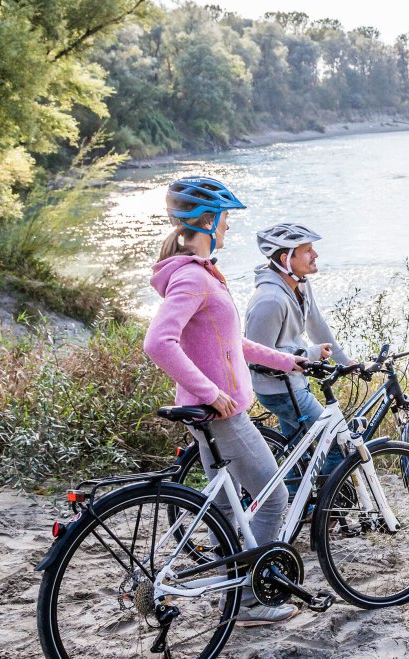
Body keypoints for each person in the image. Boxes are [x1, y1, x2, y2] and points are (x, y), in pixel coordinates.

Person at [143, 176, 304, 627]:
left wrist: (291, 362)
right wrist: (212, 393)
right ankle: (251, 602)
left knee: (226, 508)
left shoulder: (200, 273)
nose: (229, 229)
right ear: (209, 223)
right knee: (272, 499)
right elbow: (158, 343)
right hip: (221, 415)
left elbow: (234, 343)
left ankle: (230, 594)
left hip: (212, 413)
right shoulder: (193, 276)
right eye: (226, 221)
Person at [245, 222, 351, 481]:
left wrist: (345, 362)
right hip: (279, 391)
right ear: (286, 258)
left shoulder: (300, 286)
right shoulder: (270, 301)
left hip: (294, 385)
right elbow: (259, 358)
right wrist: (311, 353)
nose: (315, 255)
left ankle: (295, 506)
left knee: (297, 454)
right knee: (337, 441)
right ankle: (321, 511)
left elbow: (317, 324)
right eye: (307, 250)